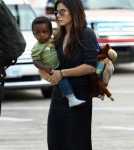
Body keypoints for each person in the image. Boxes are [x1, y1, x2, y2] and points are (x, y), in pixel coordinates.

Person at [39, 0, 98, 149]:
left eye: (62, 11)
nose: (58, 15)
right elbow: (50, 62)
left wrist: (62, 73)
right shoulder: (58, 36)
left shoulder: (86, 34)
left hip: (80, 97)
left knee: (77, 143)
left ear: (74, 11)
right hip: (59, 97)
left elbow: (90, 66)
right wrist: (45, 72)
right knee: (55, 141)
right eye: (56, 12)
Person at [31, 16, 86, 107]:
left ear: (51, 32)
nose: (41, 35)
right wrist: (44, 68)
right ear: (33, 34)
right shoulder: (36, 48)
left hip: (60, 64)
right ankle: (71, 98)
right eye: (37, 33)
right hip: (51, 69)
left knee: (67, 79)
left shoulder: (52, 39)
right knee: (62, 80)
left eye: (45, 32)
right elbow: (35, 61)